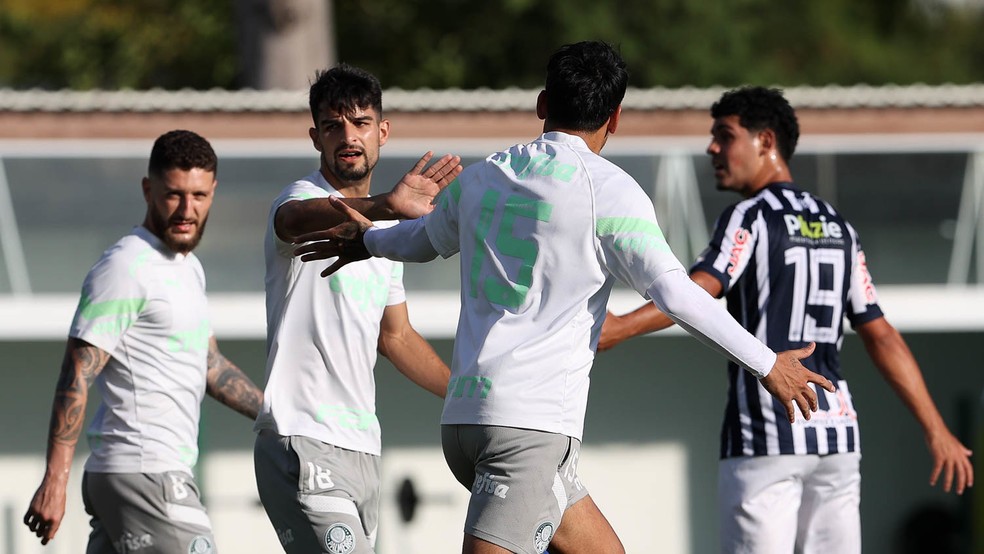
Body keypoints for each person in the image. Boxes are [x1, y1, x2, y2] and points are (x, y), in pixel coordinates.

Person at [293, 42, 836, 554]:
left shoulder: (484, 176)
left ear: (543, 104)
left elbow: (420, 240)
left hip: (466, 422)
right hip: (526, 433)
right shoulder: (609, 189)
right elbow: (676, 294)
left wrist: (366, 240)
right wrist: (767, 364)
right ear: (615, 117)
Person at [600, 86, 975, 553]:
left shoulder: (750, 216)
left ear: (766, 140)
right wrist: (935, 426)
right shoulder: (839, 225)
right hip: (836, 437)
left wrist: (619, 327)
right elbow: (881, 334)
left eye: (724, 135)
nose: (712, 148)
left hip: (766, 434)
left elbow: (694, 292)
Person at [23, 129, 264, 553]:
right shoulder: (125, 266)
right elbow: (76, 373)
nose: (187, 210)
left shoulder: (187, 268)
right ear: (148, 189)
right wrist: (54, 481)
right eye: (173, 195)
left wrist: (278, 416)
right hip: (144, 469)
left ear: (214, 192)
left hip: (145, 473)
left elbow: (210, 365)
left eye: (199, 196)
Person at [252, 64, 456, 554]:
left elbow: (397, 338)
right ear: (316, 138)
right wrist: (388, 203)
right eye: (333, 126)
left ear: (382, 131)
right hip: (301, 437)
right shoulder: (301, 199)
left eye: (361, 123)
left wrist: (467, 393)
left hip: (362, 447)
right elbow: (292, 221)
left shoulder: (383, 240)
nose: (348, 136)